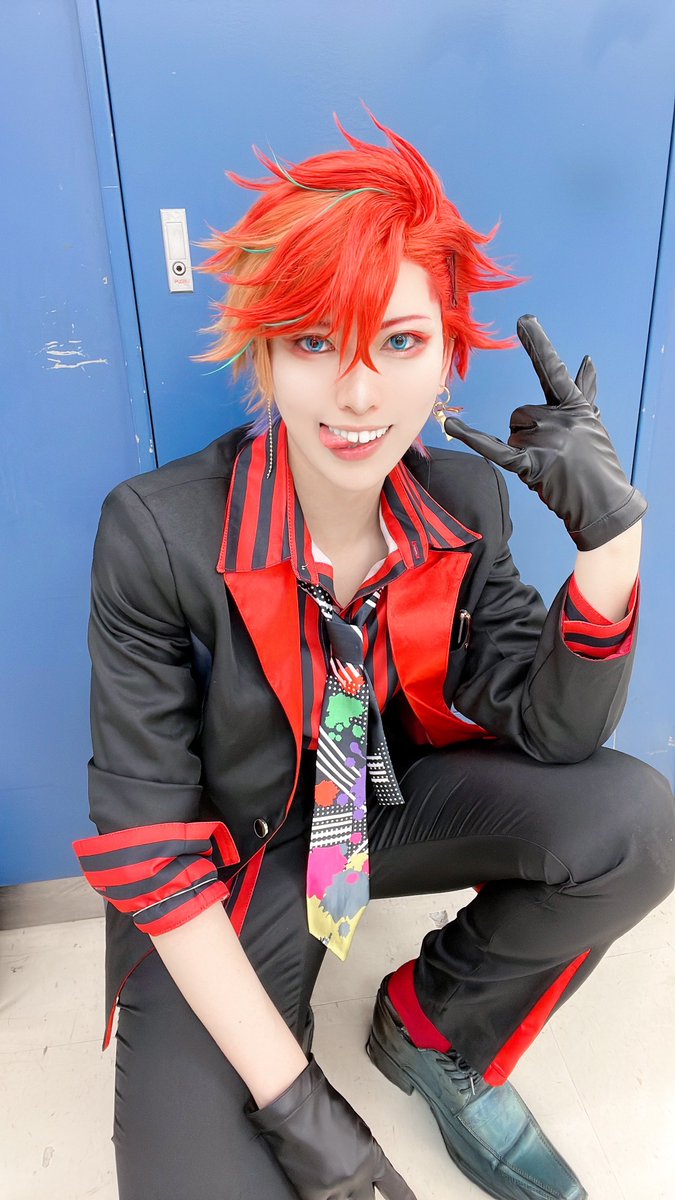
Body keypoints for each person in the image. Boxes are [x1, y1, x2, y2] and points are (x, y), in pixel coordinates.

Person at [72, 107, 675, 1200]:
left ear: (446, 358)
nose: (358, 395)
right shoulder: (157, 534)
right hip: (242, 864)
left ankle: (430, 1027)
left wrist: (612, 543)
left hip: (380, 814)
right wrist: (312, 1123)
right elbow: (151, 851)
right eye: (315, 342)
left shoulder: (463, 502)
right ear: (263, 355)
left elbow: (555, 729)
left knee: (634, 822)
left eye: (399, 342)